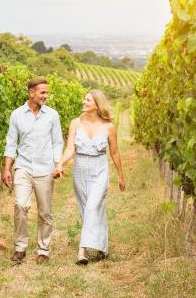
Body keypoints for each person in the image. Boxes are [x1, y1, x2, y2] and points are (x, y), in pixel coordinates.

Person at [55, 89, 125, 265]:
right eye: (84, 99)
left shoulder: (109, 127)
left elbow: (115, 154)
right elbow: (70, 148)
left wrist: (121, 177)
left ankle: (82, 252)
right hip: (80, 169)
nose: (83, 102)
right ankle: (102, 247)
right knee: (87, 208)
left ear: (97, 104)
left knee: (92, 207)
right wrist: (60, 164)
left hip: (99, 169)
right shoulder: (75, 123)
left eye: (88, 100)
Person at [3, 77, 64, 264]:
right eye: (42, 92)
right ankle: (20, 248)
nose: (46, 96)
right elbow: (11, 143)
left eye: (47, 92)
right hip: (23, 167)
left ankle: (43, 250)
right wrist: (7, 168)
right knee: (21, 205)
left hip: (45, 169)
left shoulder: (52, 115)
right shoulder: (17, 115)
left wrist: (57, 164)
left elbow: (57, 142)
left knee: (45, 212)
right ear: (31, 92)